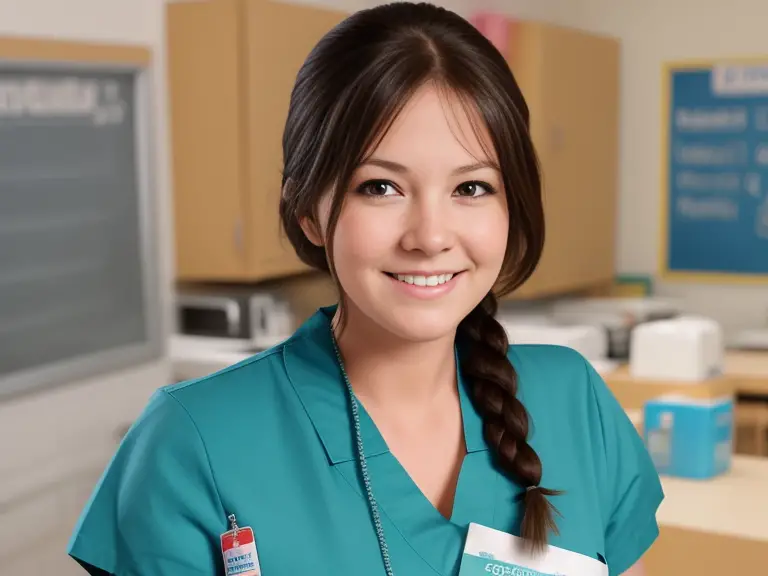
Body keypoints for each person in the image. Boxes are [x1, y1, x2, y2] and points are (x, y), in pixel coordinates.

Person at [68, 2, 663, 575]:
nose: (430, 236)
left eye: (472, 188)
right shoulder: (193, 443)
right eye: (380, 187)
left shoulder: (576, 404)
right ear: (307, 209)